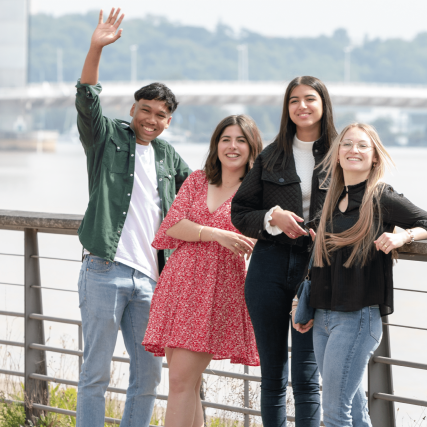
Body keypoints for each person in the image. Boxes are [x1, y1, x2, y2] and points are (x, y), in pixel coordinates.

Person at [73, 8, 192, 427]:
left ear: (168, 121)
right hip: (104, 269)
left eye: (161, 115)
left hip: (151, 280)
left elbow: (203, 193)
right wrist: (95, 48)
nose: (151, 120)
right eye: (146, 110)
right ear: (134, 108)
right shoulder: (108, 137)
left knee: (148, 376)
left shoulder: (168, 157)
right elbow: (87, 99)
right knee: (96, 372)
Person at [295, 123, 427, 426]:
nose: (354, 150)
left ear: (375, 156)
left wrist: (404, 237)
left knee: (335, 413)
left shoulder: (381, 197)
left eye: (363, 145)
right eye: (347, 144)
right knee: (353, 408)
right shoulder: (331, 200)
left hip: (357, 318)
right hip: (323, 316)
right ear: (337, 155)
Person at [142, 115, 263, 427]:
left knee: (181, 383)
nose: (232, 146)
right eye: (226, 139)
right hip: (178, 284)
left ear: (252, 148)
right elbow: (172, 225)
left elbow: (257, 235)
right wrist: (217, 234)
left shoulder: (256, 193)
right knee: (187, 384)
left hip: (217, 290)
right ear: (216, 145)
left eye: (240, 140)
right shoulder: (197, 180)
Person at [231, 76, 338, 426]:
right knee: (273, 377)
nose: (301, 106)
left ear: (323, 104)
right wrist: (272, 217)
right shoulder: (271, 155)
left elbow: (369, 200)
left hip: (316, 269)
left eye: (310, 99)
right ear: (286, 108)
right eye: (294, 100)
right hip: (269, 268)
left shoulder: (342, 151)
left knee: (308, 378)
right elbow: (240, 212)